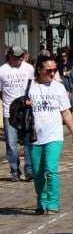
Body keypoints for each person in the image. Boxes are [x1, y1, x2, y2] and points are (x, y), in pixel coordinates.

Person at [26, 55, 73, 214]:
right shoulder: (30, 86)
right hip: (34, 136)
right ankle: (41, 202)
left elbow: (66, 113)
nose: (52, 73)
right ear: (39, 69)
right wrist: (24, 104)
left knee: (51, 169)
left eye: (54, 70)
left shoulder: (59, 87)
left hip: (54, 135)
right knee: (37, 173)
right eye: (48, 70)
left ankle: (53, 203)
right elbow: (20, 110)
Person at [0, 46, 35, 181]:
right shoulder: (2, 70)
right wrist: (8, 103)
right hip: (10, 111)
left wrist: (30, 101)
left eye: (21, 56)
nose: (19, 59)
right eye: (16, 57)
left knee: (28, 142)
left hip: (26, 110)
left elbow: (33, 87)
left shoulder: (29, 68)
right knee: (11, 143)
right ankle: (14, 171)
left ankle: (29, 171)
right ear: (9, 56)